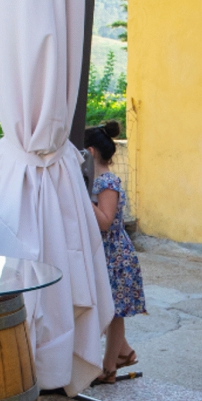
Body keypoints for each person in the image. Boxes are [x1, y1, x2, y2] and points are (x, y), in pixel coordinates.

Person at [87, 120, 146, 381]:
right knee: (108, 309)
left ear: (89, 153)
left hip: (114, 254)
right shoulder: (96, 181)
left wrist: (82, 198)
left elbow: (105, 220)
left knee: (112, 311)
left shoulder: (106, 182)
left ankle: (109, 368)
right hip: (106, 253)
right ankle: (123, 353)